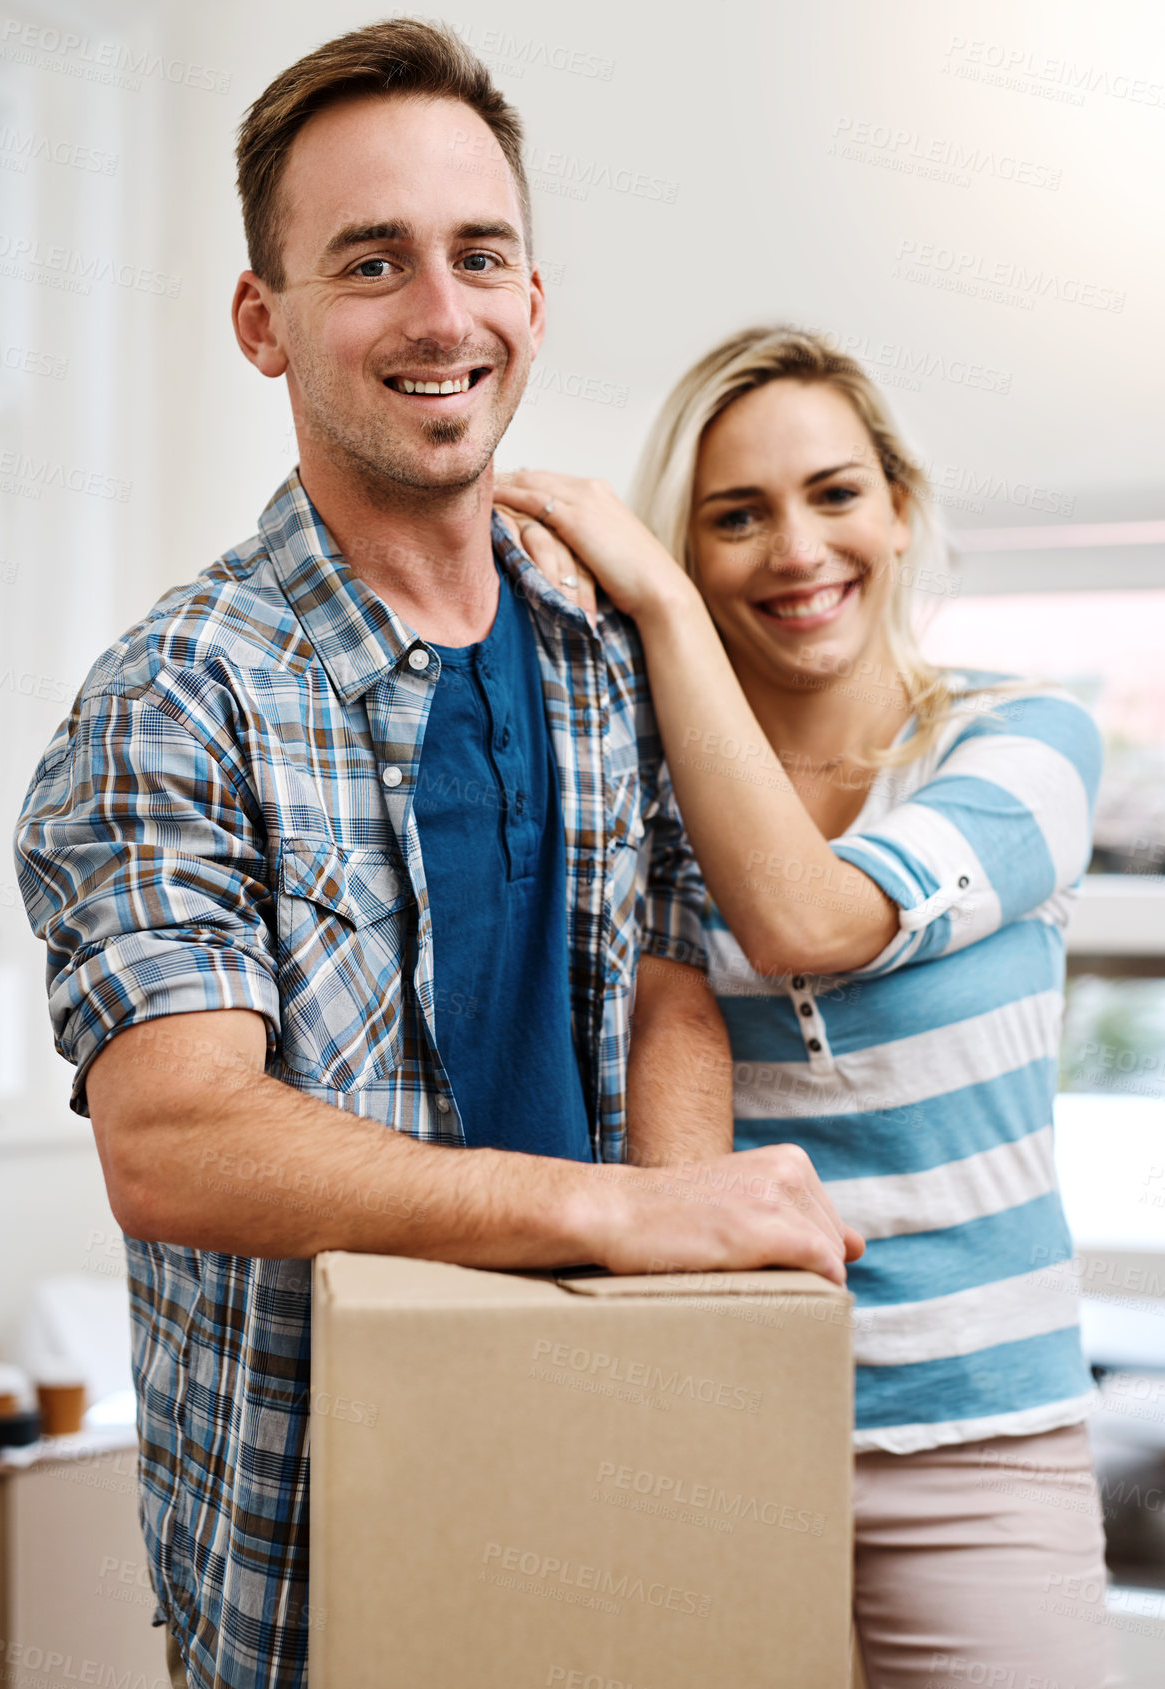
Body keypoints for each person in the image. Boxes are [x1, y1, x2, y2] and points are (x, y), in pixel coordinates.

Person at [11, 38, 862, 1689]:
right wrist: (618, 1216)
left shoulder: (598, 647)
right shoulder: (173, 693)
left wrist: (679, 1280)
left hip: (620, 1467)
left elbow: (669, 969)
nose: (440, 313)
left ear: (535, 298)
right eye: (370, 261)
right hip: (319, 1553)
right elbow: (176, 1137)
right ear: (262, 320)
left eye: (478, 256)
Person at [495, 325, 1111, 1689]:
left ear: (897, 505)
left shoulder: (1023, 745)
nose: (794, 549)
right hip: (723, 1431)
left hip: (981, 1445)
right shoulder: (639, 804)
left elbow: (807, 920)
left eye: (833, 492)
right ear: (695, 544)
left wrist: (651, 596)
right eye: (734, 516)